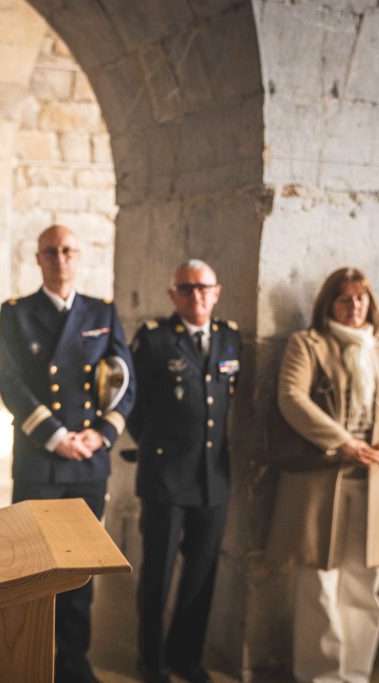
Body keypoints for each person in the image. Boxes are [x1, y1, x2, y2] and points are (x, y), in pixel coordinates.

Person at [0, 224, 135, 683]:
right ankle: (28, 660)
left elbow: (125, 383)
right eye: (50, 251)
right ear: (38, 259)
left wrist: (101, 435)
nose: (60, 258)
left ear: (80, 256)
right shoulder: (16, 313)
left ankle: (74, 664)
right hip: (41, 459)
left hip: (88, 462)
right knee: (33, 571)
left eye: (68, 250)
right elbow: (11, 384)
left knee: (79, 571)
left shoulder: (103, 311)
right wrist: (57, 437)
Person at [266, 267, 379, 683]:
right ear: (327, 304)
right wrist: (343, 442)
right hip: (321, 480)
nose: (354, 307)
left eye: (360, 299)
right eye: (344, 299)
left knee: (364, 586)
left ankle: (355, 674)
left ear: (371, 303)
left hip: (375, 480)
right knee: (319, 584)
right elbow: (291, 398)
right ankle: (321, 676)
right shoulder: (308, 343)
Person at [127, 260, 240, 683]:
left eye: (203, 288)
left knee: (202, 571)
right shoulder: (155, 340)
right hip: (165, 477)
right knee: (157, 572)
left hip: (213, 477)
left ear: (217, 292)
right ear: (173, 294)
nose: (196, 296)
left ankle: (185, 656)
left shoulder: (230, 339)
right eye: (186, 289)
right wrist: (160, 449)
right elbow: (134, 408)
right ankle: (151, 660)